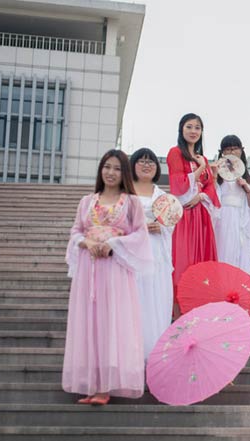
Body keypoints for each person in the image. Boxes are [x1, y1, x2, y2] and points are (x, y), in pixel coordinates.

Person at [62, 149, 152, 405]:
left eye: (116, 168)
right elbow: (76, 231)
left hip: (116, 272)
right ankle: (91, 383)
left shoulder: (132, 203)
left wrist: (114, 243)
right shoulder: (86, 201)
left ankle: (106, 386)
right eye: (106, 167)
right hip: (89, 271)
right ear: (101, 170)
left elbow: (140, 236)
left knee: (112, 322)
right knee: (89, 323)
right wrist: (85, 242)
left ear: (124, 172)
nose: (110, 173)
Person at [167, 113, 220, 292]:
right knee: (183, 257)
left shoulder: (201, 157)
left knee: (201, 259)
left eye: (197, 127)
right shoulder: (175, 153)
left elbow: (210, 186)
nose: (193, 131)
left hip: (201, 213)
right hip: (185, 214)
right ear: (181, 129)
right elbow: (178, 185)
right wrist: (201, 169)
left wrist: (201, 196)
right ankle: (177, 306)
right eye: (189, 126)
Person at [130, 147, 174, 361]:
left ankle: (154, 352)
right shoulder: (125, 194)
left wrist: (162, 228)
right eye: (141, 161)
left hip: (156, 251)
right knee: (134, 298)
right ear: (133, 165)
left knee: (155, 298)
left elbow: (171, 224)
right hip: (132, 253)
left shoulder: (163, 196)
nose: (146, 165)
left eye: (151, 162)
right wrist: (142, 227)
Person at [213, 135, 250, 273]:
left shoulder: (248, 177)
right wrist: (214, 177)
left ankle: (238, 292)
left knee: (241, 254)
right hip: (222, 218)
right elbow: (211, 197)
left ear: (241, 150)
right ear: (222, 153)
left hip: (241, 220)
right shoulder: (218, 175)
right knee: (223, 252)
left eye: (235, 149)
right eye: (227, 149)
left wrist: (247, 190)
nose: (232, 153)